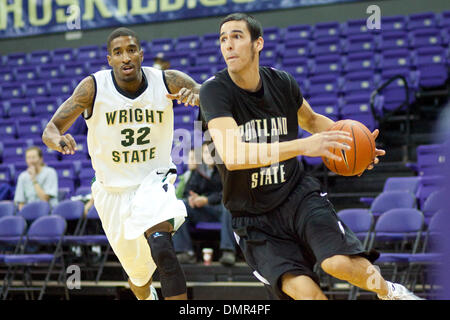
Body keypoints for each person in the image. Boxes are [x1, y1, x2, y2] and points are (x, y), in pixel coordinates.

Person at [199, 13, 422, 300]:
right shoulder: (214, 91)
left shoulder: (281, 82)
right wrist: (303, 147)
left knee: (338, 263)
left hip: (296, 196)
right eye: (223, 39)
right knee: (311, 296)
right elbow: (233, 155)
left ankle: (392, 292)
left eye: (237, 36)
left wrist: (355, 145)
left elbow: (313, 121)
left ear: (258, 44)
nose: (228, 45)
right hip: (252, 217)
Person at [42, 27, 201, 300]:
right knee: (138, 277)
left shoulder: (168, 80)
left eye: (130, 50)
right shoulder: (93, 87)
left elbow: (209, 95)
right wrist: (57, 140)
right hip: (112, 193)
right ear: (109, 60)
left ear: (141, 54)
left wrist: (198, 97)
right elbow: (50, 129)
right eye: (118, 53)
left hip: (154, 181)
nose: (125, 57)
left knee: (163, 249)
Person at [172, 142, 236, 266]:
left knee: (228, 207)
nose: (209, 156)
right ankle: (185, 252)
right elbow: (187, 191)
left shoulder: (226, 171)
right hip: (203, 211)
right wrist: (192, 198)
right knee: (180, 206)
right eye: (206, 152)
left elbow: (227, 194)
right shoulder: (198, 171)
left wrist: (206, 200)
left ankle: (228, 251)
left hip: (220, 210)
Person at [14, 146, 58, 210]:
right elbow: (21, 203)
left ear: (40, 159)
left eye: (33, 157)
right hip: (30, 212)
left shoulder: (50, 172)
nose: (31, 161)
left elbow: (44, 199)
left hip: (48, 211)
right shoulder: (22, 176)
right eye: (28, 158)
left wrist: (34, 179)